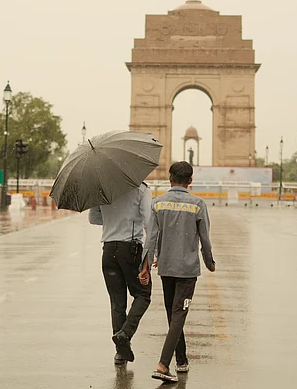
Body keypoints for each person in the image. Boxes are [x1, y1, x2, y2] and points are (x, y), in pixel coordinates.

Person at [140, 161, 215, 383]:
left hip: (165, 267)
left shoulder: (158, 203)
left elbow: (151, 238)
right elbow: (205, 239)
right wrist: (209, 261)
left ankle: (181, 360)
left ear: (170, 178)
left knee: (173, 315)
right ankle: (163, 364)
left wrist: (144, 266)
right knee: (179, 315)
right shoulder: (198, 204)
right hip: (187, 269)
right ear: (190, 180)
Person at [89, 183, 152, 365]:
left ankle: (120, 353)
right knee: (143, 294)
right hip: (130, 249)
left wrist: (113, 218)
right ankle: (125, 334)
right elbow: (149, 222)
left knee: (117, 302)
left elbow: (93, 218)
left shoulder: (102, 187)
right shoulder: (141, 190)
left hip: (108, 250)